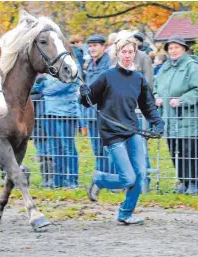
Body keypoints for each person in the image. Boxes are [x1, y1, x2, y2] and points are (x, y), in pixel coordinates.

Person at [80, 37, 165, 225]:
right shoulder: (107, 76)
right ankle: (100, 179)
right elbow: (86, 102)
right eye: (123, 52)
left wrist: (158, 123)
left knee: (140, 175)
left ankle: (125, 214)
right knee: (128, 178)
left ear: (135, 53)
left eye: (130, 52)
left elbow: (148, 106)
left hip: (131, 130)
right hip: (111, 133)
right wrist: (84, 93)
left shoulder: (139, 79)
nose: (127, 55)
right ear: (117, 53)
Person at [153, 35, 198, 195]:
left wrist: (182, 100)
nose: (173, 50)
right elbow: (156, 86)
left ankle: (194, 182)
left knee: (189, 152)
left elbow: (196, 89)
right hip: (169, 119)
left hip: (187, 119)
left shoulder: (191, 66)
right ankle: (183, 181)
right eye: (170, 48)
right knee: (174, 151)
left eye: (176, 47)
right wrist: (157, 96)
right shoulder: (165, 67)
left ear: (184, 49)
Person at [35, 73, 81, 188]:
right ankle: (59, 180)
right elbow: (36, 88)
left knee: (68, 148)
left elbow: (60, 87)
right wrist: (38, 82)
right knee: (55, 148)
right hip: (50, 113)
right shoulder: (50, 71)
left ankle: (72, 181)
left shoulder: (71, 69)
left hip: (66, 114)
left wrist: (45, 88)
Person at [85, 35, 113, 174]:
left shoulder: (109, 64)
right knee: (97, 149)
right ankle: (102, 177)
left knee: (109, 148)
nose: (92, 48)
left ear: (104, 47)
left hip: (105, 113)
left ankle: (114, 178)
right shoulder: (90, 64)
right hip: (91, 113)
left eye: (95, 45)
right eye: (90, 46)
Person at [31, 75, 55, 188]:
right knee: (41, 152)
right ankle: (45, 178)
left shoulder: (45, 78)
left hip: (45, 119)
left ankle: (50, 178)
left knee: (49, 151)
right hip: (35, 122)